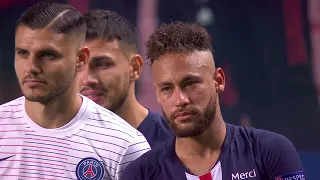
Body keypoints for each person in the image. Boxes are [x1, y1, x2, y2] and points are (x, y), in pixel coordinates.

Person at [122, 21, 306, 180]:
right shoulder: (141, 173)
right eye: (167, 89)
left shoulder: (269, 152)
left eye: (190, 83)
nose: (180, 100)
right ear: (157, 93)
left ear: (218, 81)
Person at [0, 2, 150, 180]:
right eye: (23, 53)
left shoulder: (125, 145)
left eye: (48, 55)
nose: (31, 67)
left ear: (80, 58)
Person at [78, 10, 173, 148]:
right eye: (78, 65)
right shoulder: (57, 142)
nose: (87, 79)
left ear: (135, 67)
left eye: (102, 64)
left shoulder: (175, 145)